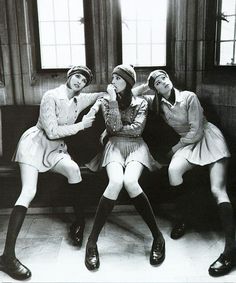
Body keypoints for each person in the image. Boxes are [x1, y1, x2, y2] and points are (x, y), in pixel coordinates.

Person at [0, 66, 105, 280]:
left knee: (74, 170)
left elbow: (102, 94)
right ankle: (7, 257)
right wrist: (81, 125)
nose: (79, 82)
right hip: (35, 145)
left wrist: (131, 90)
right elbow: (51, 131)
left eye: (84, 80)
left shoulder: (79, 99)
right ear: (69, 77)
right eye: (77, 76)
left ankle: (79, 222)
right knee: (28, 191)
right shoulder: (51, 96)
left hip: (56, 149)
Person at [132, 69, 236, 277]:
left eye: (165, 78)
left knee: (218, 189)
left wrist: (172, 150)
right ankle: (184, 217)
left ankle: (231, 250)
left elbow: (196, 131)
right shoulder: (158, 102)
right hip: (187, 145)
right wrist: (148, 84)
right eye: (159, 83)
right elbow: (132, 95)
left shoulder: (189, 96)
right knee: (173, 172)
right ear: (156, 89)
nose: (164, 82)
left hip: (207, 138)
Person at [84, 64, 165, 271]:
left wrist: (117, 129)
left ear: (128, 82)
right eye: (112, 77)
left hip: (137, 147)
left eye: (118, 78)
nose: (113, 81)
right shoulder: (106, 100)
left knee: (130, 181)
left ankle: (158, 237)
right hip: (113, 147)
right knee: (115, 182)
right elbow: (112, 129)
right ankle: (91, 243)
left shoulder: (141, 102)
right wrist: (112, 102)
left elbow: (137, 130)